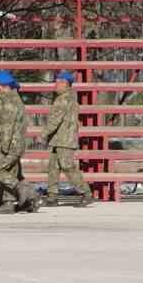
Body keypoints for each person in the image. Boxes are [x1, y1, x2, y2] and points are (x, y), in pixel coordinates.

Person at [42, 71, 93, 205]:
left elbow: (55, 120)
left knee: (67, 166)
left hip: (64, 139)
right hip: (59, 139)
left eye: (60, 82)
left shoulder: (63, 99)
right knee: (53, 168)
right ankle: (52, 196)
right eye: (56, 81)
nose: (56, 84)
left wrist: (43, 134)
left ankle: (85, 192)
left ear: (67, 84)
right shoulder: (68, 97)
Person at [0, 71, 36, 214]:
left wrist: (3, 147)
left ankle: (27, 191)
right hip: (16, 144)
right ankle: (11, 203)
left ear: (1, 86)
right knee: (10, 172)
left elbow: (7, 128)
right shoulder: (15, 100)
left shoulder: (9, 102)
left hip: (9, 145)